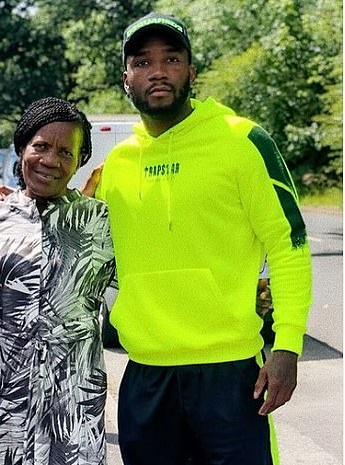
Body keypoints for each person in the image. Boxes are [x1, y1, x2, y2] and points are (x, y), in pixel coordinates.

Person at [84, 12, 313, 465]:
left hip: (229, 375)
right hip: (146, 375)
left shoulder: (243, 141)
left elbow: (289, 246)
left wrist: (286, 346)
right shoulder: (119, 166)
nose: (158, 72)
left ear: (191, 71)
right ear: (125, 78)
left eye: (171, 59)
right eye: (143, 62)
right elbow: (70, 240)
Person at [0, 97, 116, 464]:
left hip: (74, 400)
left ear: (80, 161)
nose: (51, 160)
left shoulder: (103, 222)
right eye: (40, 146)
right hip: (3, 400)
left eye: (66, 152)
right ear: (22, 148)